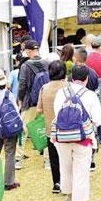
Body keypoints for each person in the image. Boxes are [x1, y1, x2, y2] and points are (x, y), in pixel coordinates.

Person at [52, 66, 101, 201]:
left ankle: (69, 198)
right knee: (81, 171)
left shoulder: (61, 93)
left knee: (66, 168)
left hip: (62, 137)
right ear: (87, 79)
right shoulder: (90, 95)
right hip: (83, 139)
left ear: (70, 77)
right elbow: (100, 120)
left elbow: (57, 113)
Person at [36, 61, 69, 193]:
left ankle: (56, 183)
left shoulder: (44, 88)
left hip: (51, 129)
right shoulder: (69, 87)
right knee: (67, 157)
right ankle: (67, 182)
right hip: (67, 128)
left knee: (54, 158)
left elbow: (39, 109)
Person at [0, 69, 21, 191]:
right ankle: (8, 182)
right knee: (9, 154)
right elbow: (15, 112)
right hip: (8, 129)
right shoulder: (9, 95)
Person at [16, 39, 47, 114]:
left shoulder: (25, 66)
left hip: (30, 103)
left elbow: (22, 86)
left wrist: (20, 100)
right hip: (44, 101)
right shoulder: (47, 63)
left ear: (28, 51)